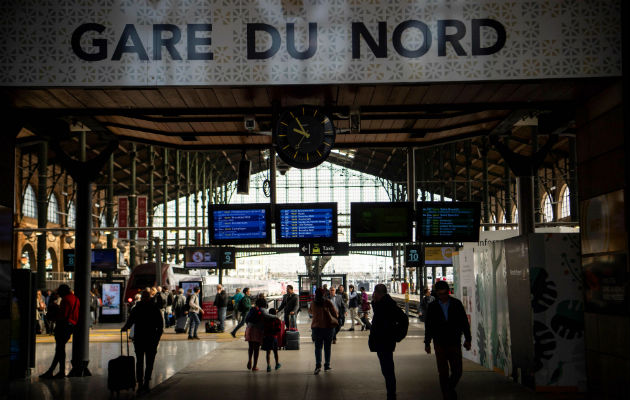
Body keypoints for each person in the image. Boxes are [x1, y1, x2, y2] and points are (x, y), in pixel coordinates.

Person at [424, 280, 471, 400]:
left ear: (448, 292)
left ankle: (448, 389)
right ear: (437, 294)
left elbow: (464, 322)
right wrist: (427, 342)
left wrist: (468, 339)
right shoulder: (433, 307)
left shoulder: (456, 304)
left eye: (444, 294)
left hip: (454, 341)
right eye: (440, 294)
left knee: (458, 371)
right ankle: (447, 395)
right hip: (439, 343)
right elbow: (429, 325)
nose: (443, 297)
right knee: (443, 372)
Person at [369, 284, 409, 400]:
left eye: (375, 293)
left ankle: (391, 394)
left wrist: (397, 335)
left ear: (378, 293)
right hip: (382, 341)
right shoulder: (381, 304)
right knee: (386, 369)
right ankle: (391, 393)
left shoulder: (388, 305)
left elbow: (403, 319)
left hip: (385, 342)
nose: (373, 295)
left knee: (388, 370)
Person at [121, 290, 164, 394]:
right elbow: (160, 325)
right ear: (149, 297)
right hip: (151, 339)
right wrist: (157, 338)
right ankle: (146, 383)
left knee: (139, 362)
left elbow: (130, 322)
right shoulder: (154, 308)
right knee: (150, 362)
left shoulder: (136, 308)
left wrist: (124, 328)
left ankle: (140, 383)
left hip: (139, 339)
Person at [40, 284, 79, 379]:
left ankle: (53, 371)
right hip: (72, 326)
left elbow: (63, 315)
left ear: (63, 291)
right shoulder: (76, 298)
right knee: (60, 350)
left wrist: (55, 313)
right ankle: (58, 371)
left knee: (59, 350)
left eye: (60, 293)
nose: (59, 295)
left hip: (63, 326)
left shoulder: (65, 300)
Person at [309, 288, 338, 374]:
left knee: (318, 347)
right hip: (328, 328)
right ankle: (327, 366)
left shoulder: (313, 303)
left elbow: (310, 312)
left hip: (316, 328)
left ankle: (318, 366)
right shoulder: (327, 302)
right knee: (327, 347)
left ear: (315, 294)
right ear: (324, 294)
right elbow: (335, 314)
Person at [244, 296, 267, 371]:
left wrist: (249, 326)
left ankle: (249, 359)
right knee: (256, 348)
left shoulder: (252, 309)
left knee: (250, 347)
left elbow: (246, 319)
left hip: (250, 328)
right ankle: (254, 366)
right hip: (258, 330)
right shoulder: (263, 310)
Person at [261, 308, 282, 372]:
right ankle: (277, 364)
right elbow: (279, 329)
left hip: (267, 337)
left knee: (268, 352)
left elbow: (263, 328)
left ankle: (268, 366)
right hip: (274, 337)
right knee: (275, 352)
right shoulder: (276, 319)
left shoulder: (266, 319)